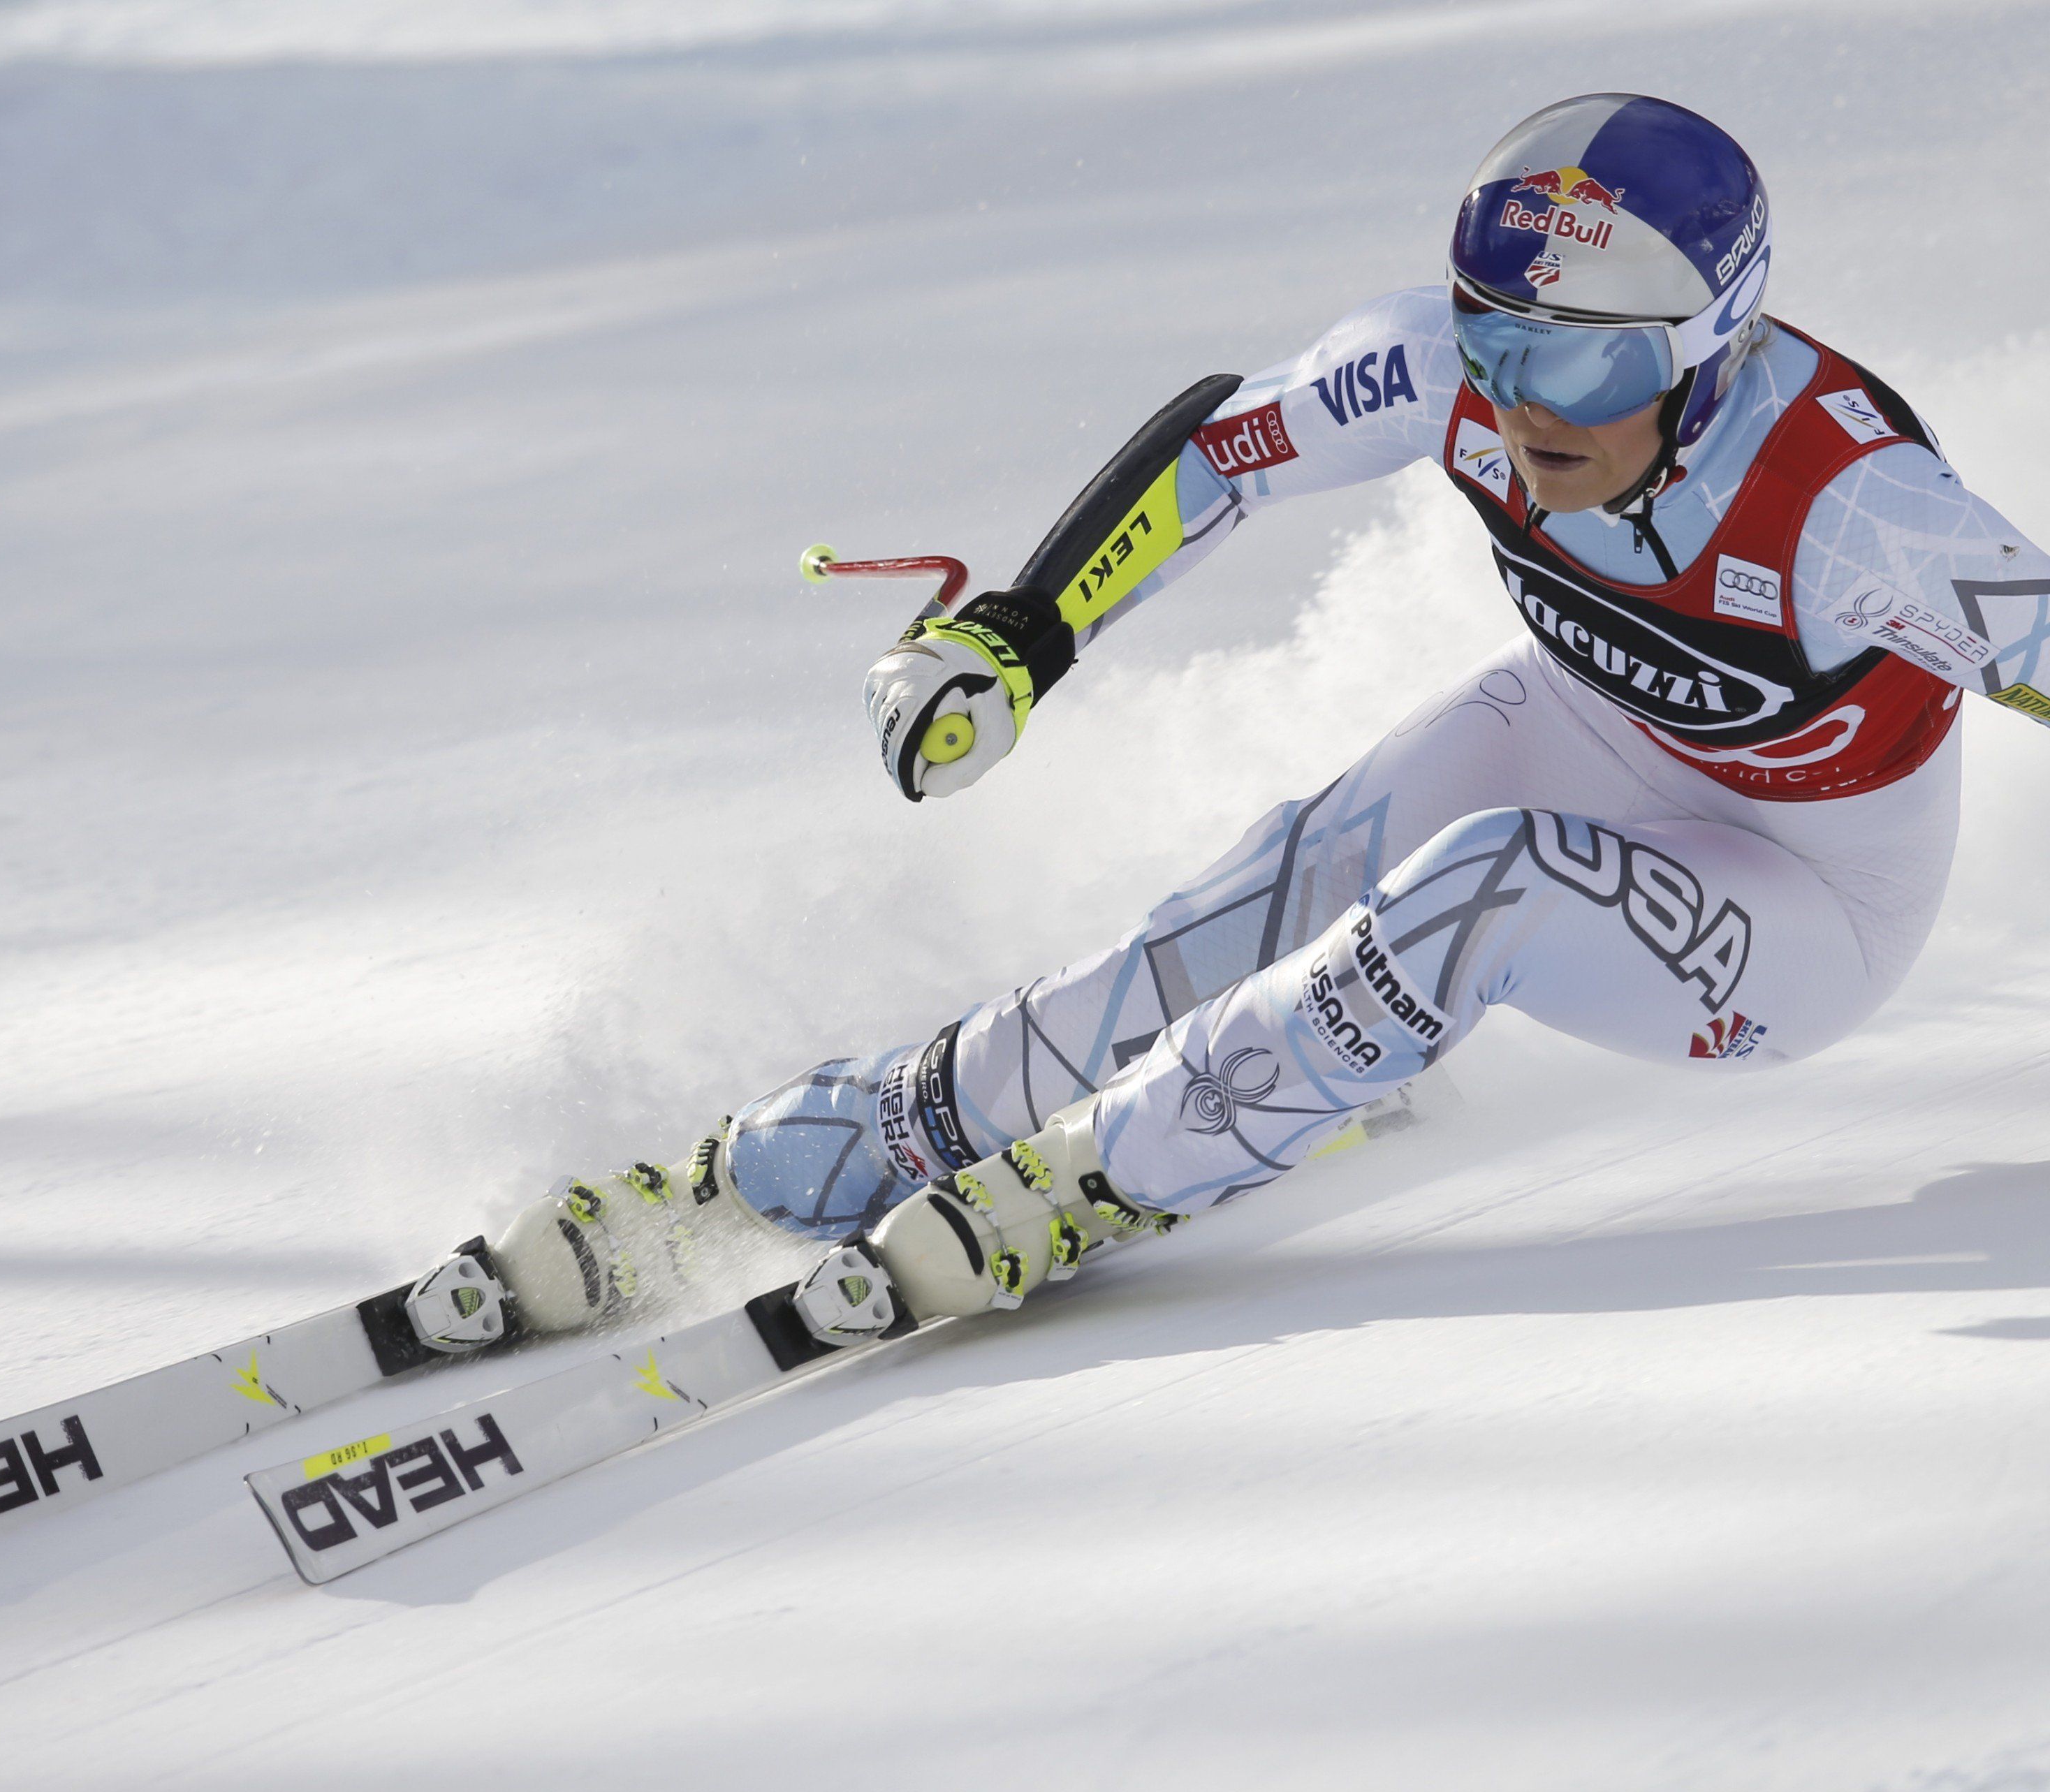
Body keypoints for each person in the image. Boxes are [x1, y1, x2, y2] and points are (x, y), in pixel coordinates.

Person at [401, 93, 2050, 1353]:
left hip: (1808, 908)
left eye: (1590, 364)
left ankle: (1105, 1174)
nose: (1531, 403)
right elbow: (1218, 455)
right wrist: (1023, 632)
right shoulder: (1441, 376)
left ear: (1706, 352)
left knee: (1493, 880)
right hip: (1597, 730)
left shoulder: (1859, 516)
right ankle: (826, 1147)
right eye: (1498, 336)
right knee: (1252, 907)